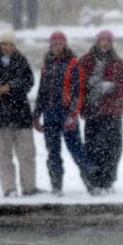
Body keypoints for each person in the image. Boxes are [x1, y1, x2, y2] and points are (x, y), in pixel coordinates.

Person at [32, 31, 96, 195]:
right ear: (50, 45)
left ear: (65, 44)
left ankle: (91, 183)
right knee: (52, 150)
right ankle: (56, 185)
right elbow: (42, 91)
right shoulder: (47, 64)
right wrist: (36, 115)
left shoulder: (73, 63)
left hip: (66, 113)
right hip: (50, 113)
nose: (57, 46)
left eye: (60, 43)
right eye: (54, 44)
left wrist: (73, 115)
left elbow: (79, 92)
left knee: (76, 149)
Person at [0, 31, 38, 197]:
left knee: (26, 154)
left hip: (21, 114)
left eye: (10, 44)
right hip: (0, 116)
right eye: (4, 44)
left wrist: (10, 86)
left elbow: (29, 82)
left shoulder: (21, 61)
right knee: (4, 156)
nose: (7, 47)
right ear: (0, 45)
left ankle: (29, 187)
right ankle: (9, 187)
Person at [79, 29, 123, 194]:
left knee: (113, 148)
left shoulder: (119, 64)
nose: (104, 44)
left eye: (107, 41)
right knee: (93, 147)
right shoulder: (86, 62)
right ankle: (94, 181)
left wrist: (113, 88)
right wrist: (89, 85)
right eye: (101, 41)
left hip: (112, 113)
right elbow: (76, 83)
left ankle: (108, 180)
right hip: (92, 112)